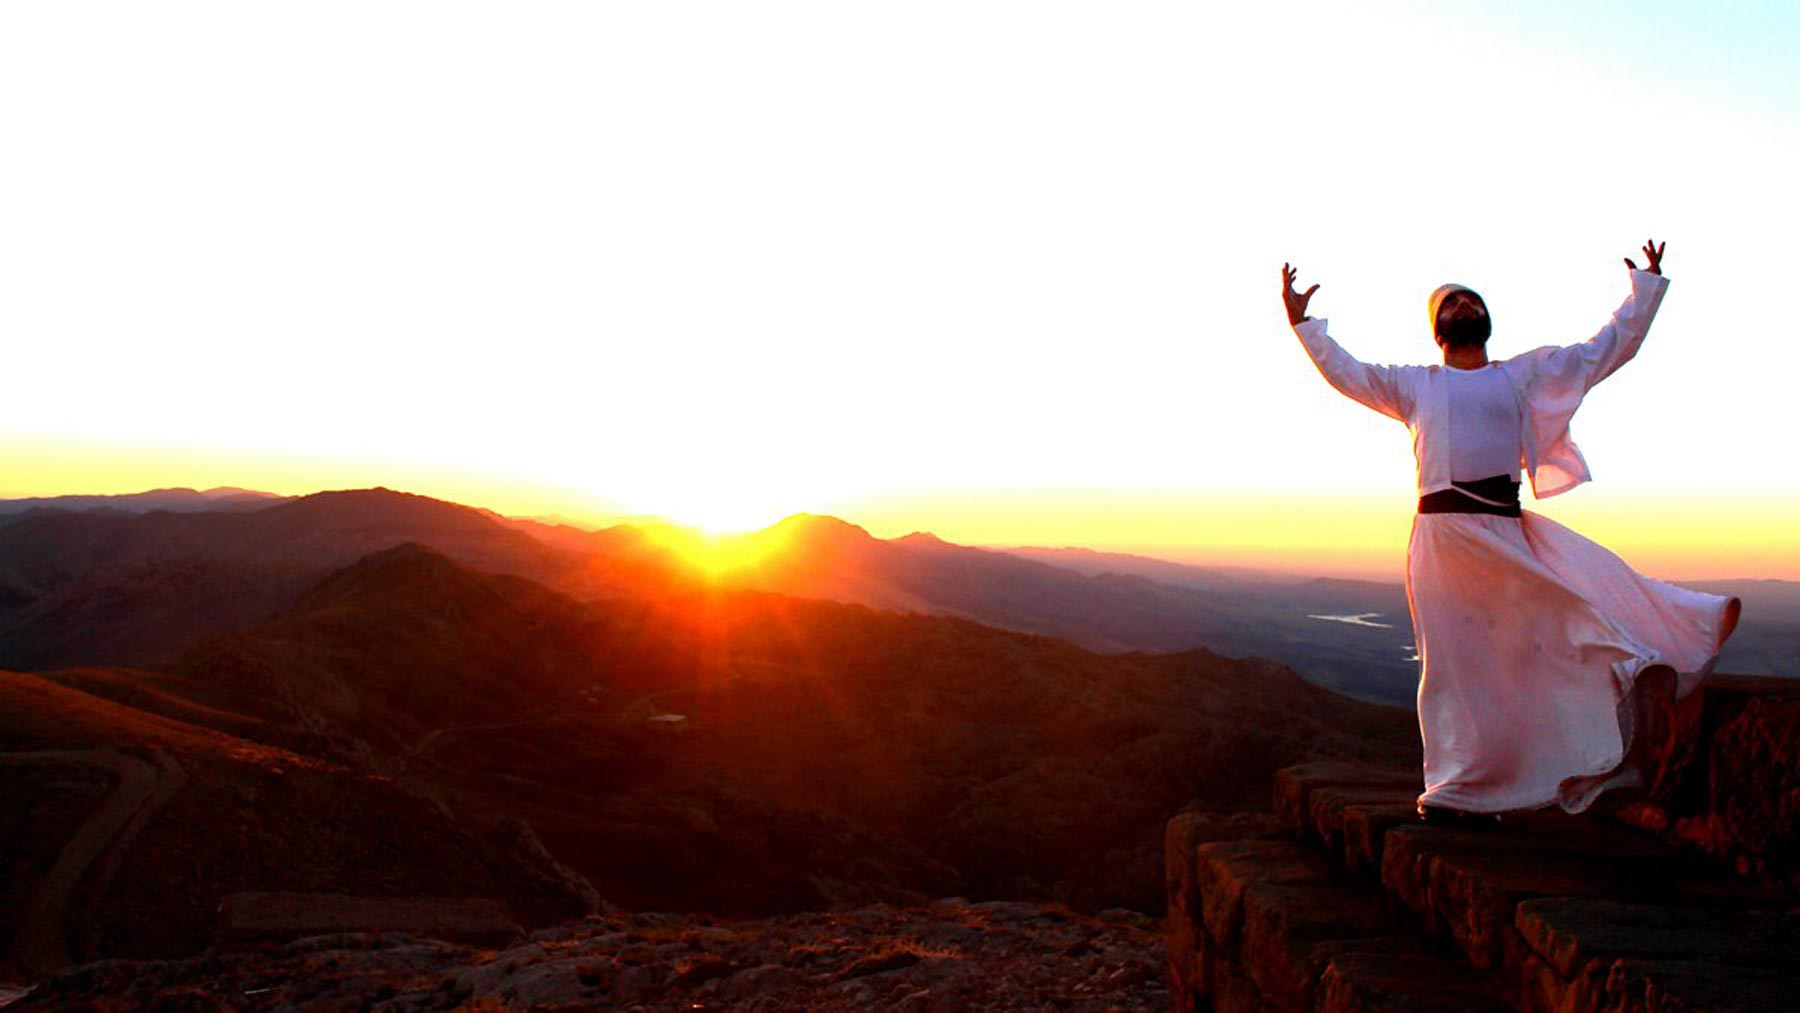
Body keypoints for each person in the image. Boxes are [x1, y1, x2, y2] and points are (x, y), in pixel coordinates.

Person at [1280, 241, 1741, 822]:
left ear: (1484, 322)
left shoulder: (1522, 376)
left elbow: (1603, 351)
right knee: (1454, 668)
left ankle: (1628, 683)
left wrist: (1643, 292)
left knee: (1547, 635)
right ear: (1438, 329)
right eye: (1452, 303)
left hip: (1502, 530)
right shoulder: (1414, 384)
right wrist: (1304, 324)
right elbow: (1349, 373)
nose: (1464, 305)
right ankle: (1460, 788)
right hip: (1441, 541)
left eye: (1471, 300)